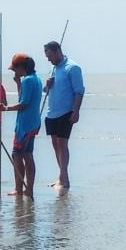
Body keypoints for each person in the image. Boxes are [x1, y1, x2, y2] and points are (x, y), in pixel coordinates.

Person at [43, 40, 85, 191]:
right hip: (51, 112)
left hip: (66, 112)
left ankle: (64, 178)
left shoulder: (72, 67)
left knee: (62, 143)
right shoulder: (53, 69)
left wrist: (76, 110)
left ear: (57, 51)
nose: (48, 59)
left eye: (49, 55)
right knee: (55, 144)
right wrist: (47, 85)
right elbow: (46, 90)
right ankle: (61, 175)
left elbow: (79, 91)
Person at [0, 53, 42, 200]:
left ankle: (20, 189)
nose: (14, 72)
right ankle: (28, 189)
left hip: (25, 125)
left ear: (21, 67)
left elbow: (23, 104)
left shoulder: (28, 81)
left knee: (17, 155)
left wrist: (5, 108)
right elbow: (23, 97)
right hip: (34, 123)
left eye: (15, 69)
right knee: (27, 155)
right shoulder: (36, 79)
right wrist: (18, 83)